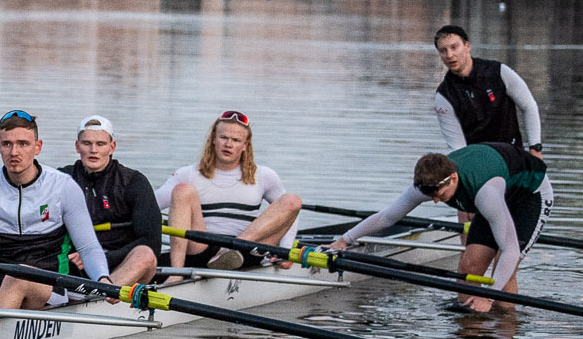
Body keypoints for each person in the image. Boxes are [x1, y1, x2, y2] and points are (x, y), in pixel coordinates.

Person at [330, 144, 555, 312]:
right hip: (498, 190)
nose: (436, 201)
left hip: (530, 195)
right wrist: (345, 239)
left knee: (504, 269)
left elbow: (510, 251)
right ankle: (468, 336)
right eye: (431, 196)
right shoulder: (428, 184)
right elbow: (388, 216)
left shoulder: (485, 193)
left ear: (453, 178)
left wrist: (488, 297)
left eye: (440, 195)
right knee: (470, 266)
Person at [0, 110, 110, 308]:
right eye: (7, 144)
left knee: (17, 277)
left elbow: (88, 248)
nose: (14, 152)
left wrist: (103, 279)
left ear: (37, 147)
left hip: (49, 283)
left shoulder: (63, 187)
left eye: (23, 144)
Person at [156, 111, 302, 271]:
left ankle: (229, 251)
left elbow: (291, 215)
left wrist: (285, 249)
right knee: (182, 190)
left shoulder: (264, 175)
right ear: (213, 139)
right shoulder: (188, 173)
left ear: (245, 145)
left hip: (248, 250)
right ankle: (176, 272)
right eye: (224, 137)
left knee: (292, 201)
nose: (229, 144)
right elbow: (151, 206)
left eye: (236, 140)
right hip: (201, 248)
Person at [60, 114, 161, 286]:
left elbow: (151, 241)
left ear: (112, 147)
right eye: (87, 143)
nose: (94, 150)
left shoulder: (133, 181)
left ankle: (105, 295)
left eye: (100, 144)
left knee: (145, 254)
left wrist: (98, 258)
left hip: (119, 264)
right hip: (73, 263)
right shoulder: (62, 178)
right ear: (77, 146)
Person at [432, 24, 542, 155]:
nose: (449, 55)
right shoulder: (444, 95)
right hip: (479, 162)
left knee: (541, 174)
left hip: (514, 155)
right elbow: (457, 148)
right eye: (443, 50)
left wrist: (535, 148)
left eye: (454, 47)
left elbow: (528, 106)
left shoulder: (499, 72)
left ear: (467, 46)